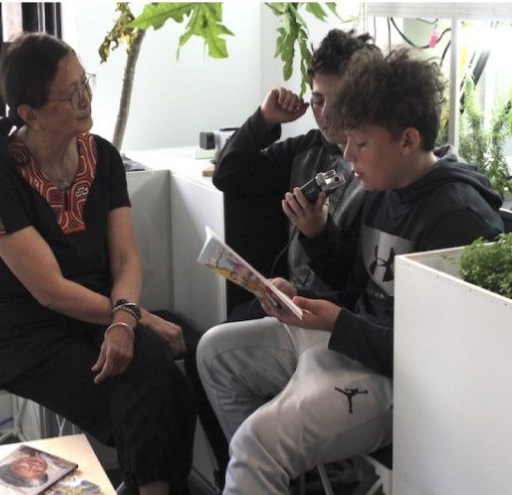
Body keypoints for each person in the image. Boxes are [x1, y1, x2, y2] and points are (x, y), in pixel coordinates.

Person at [197, 47, 504, 495]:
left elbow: (439, 361)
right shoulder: (383, 189)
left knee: (255, 443)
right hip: (352, 343)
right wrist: (301, 301)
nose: (348, 156)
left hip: (398, 381)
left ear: (408, 140)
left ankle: (262, 466)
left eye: (359, 143)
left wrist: (339, 322)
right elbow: (364, 294)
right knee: (215, 353)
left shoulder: (460, 220)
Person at [0, 32, 197, 495]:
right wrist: (133, 318)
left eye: (85, 83)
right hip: (26, 334)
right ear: (29, 113)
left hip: (96, 316)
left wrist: (124, 322)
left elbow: (126, 257)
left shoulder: (103, 157)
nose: (85, 98)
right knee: (151, 381)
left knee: (163, 366)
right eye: (70, 93)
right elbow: (49, 290)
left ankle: (150, 488)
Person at [213, 29, 379, 322]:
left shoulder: (380, 171)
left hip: (336, 316)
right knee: (216, 335)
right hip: (287, 300)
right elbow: (228, 176)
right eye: (317, 100)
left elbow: (354, 283)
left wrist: (317, 233)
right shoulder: (307, 150)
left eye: (337, 100)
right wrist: (263, 119)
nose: (326, 113)